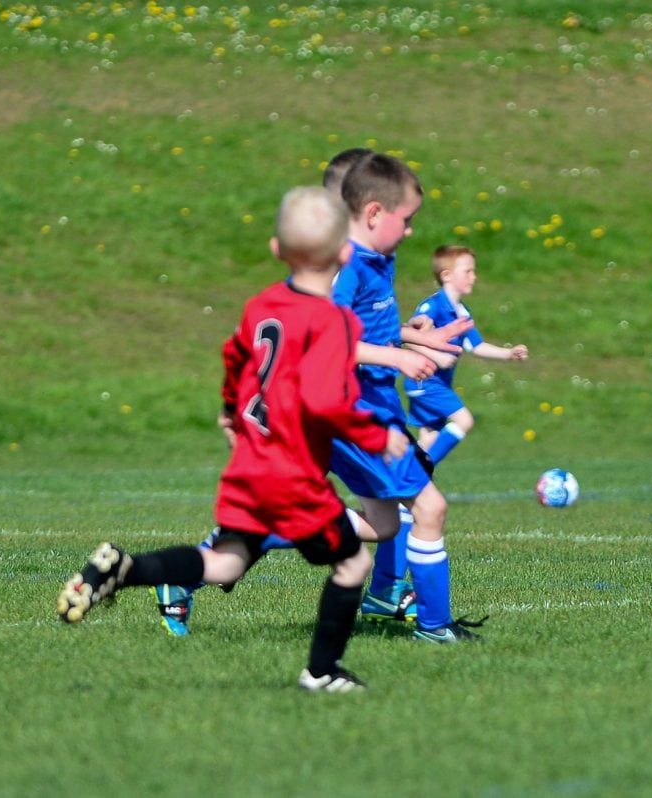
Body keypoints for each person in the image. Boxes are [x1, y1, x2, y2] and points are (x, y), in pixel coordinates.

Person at [56, 186, 409, 691]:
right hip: (294, 478)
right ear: (345, 252)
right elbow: (322, 399)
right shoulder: (335, 321)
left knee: (224, 564)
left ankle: (124, 569)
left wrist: (229, 409)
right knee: (354, 562)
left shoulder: (260, 305)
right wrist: (375, 434)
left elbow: (234, 356)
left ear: (276, 249)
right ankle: (322, 672)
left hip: (250, 466)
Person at [330, 152, 483, 642]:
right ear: (374, 213)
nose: (412, 231)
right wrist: (397, 358)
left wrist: (416, 338)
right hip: (359, 413)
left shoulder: (379, 258)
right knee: (429, 508)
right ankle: (435, 627)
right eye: (407, 220)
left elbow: (366, 330)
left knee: (381, 524)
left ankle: (235, 549)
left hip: (377, 410)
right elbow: (328, 342)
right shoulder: (349, 266)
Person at [405, 245, 529, 465]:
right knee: (464, 421)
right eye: (468, 271)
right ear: (447, 276)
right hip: (425, 381)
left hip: (439, 384)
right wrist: (437, 356)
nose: (474, 276)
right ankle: (419, 476)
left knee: (429, 439)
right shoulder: (431, 307)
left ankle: (405, 494)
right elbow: (406, 339)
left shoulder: (462, 312)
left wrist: (508, 354)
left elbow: (477, 346)